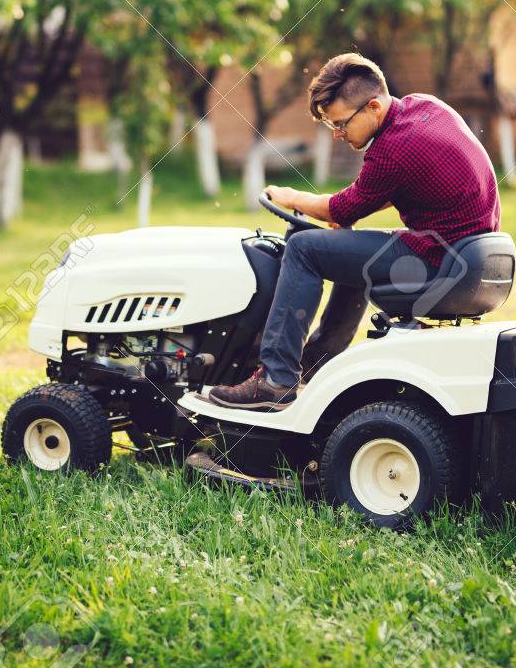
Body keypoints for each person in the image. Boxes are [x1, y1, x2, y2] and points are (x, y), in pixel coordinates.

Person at [207, 52, 501, 411]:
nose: (338, 135)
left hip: (440, 260)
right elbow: (386, 193)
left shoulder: (393, 149)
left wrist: (289, 196)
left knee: (302, 247)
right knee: (345, 249)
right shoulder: (424, 108)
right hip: (469, 255)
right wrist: (347, 217)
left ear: (373, 106)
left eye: (341, 124)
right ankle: (318, 364)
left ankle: (274, 381)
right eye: (332, 127)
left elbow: (341, 209)